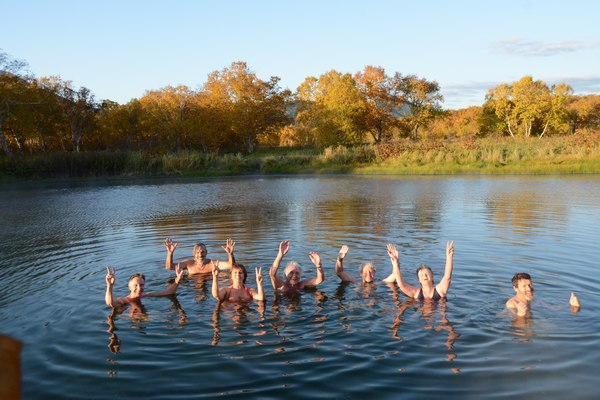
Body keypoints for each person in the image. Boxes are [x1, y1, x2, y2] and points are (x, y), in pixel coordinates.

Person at [386, 241, 454, 300]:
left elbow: (447, 277)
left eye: (427, 274)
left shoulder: (440, 290)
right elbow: (401, 285)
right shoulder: (416, 293)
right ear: (419, 280)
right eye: (421, 275)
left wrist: (449, 257)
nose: (424, 276)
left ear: (432, 277)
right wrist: (395, 263)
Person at [105, 265, 184, 307]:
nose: (139, 288)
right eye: (135, 285)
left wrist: (178, 279)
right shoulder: (124, 300)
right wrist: (109, 286)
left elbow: (170, 292)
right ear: (129, 287)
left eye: (142, 285)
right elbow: (110, 303)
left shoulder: (146, 295)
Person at [506, 272, 580, 317]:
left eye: (530, 284)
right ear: (515, 288)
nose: (529, 289)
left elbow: (553, 308)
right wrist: (520, 314)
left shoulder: (532, 299)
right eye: (524, 286)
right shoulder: (512, 304)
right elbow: (515, 327)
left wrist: (573, 306)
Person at [164, 237, 236, 275]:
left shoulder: (213, 264)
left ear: (206, 253)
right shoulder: (188, 264)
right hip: (192, 285)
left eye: (202, 252)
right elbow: (169, 267)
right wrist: (170, 253)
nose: (200, 255)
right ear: (193, 253)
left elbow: (231, 266)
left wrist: (230, 254)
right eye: (197, 252)